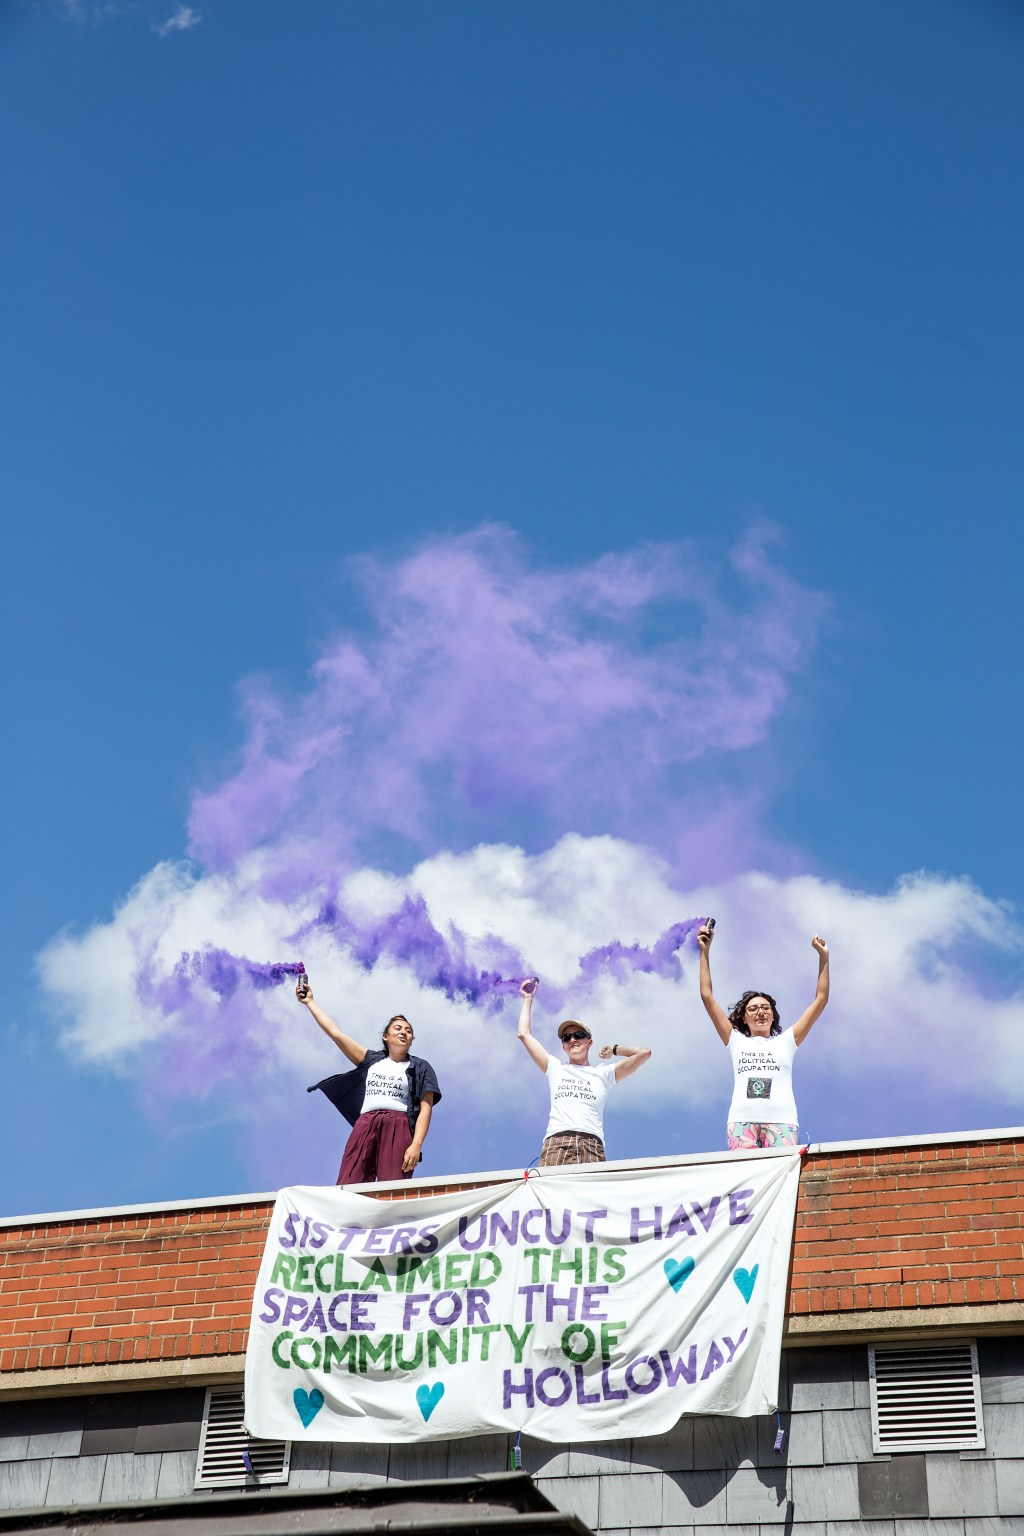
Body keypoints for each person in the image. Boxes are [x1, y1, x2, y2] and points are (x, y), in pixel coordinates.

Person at [697, 923, 829, 1150]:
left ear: (773, 1015)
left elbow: (821, 1000)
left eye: (766, 1008)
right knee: (745, 1181)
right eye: (753, 1008)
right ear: (744, 1018)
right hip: (742, 1122)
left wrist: (823, 957)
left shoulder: (787, 1041)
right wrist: (704, 951)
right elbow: (707, 996)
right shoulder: (735, 1040)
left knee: (782, 1179)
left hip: (782, 1122)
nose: (760, 1012)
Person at [298, 977, 441, 1185]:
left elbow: (426, 1108)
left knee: (393, 1186)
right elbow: (336, 1034)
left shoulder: (421, 1067)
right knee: (350, 1181)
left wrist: (416, 1144)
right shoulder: (371, 1060)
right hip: (366, 1123)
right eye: (398, 1028)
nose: (404, 1032)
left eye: (408, 1031)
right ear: (385, 1036)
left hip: (398, 1125)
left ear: (412, 1040)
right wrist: (310, 1002)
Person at [517, 979, 651, 1167]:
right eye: (567, 1038)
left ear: (589, 1042)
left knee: (590, 1196)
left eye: (578, 1035)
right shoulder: (556, 1068)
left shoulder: (604, 1074)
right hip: (557, 1142)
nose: (572, 1040)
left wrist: (614, 1050)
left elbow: (644, 1053)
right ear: (563, 1046)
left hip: (591, 1144)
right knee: (552, 1195)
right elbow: (524, 1034)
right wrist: (527, 999)